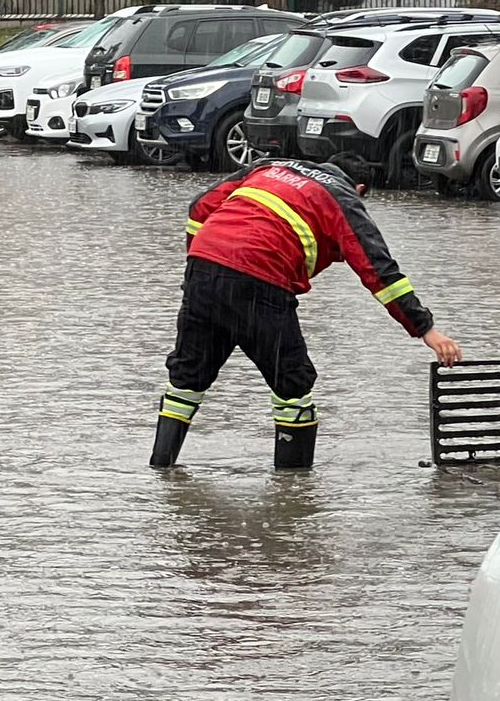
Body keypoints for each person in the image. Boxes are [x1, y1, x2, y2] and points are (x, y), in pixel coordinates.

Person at [150, 152, 461, 471]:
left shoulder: (268, 167)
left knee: (187, 376)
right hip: (260, 278)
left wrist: (201, 264)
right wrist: (425, 329)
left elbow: (200, 206)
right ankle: (293, 492)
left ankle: (161, 469)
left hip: (203, 268)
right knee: (292, 382)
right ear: (360, 189)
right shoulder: (341, 196)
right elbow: (378, 269)